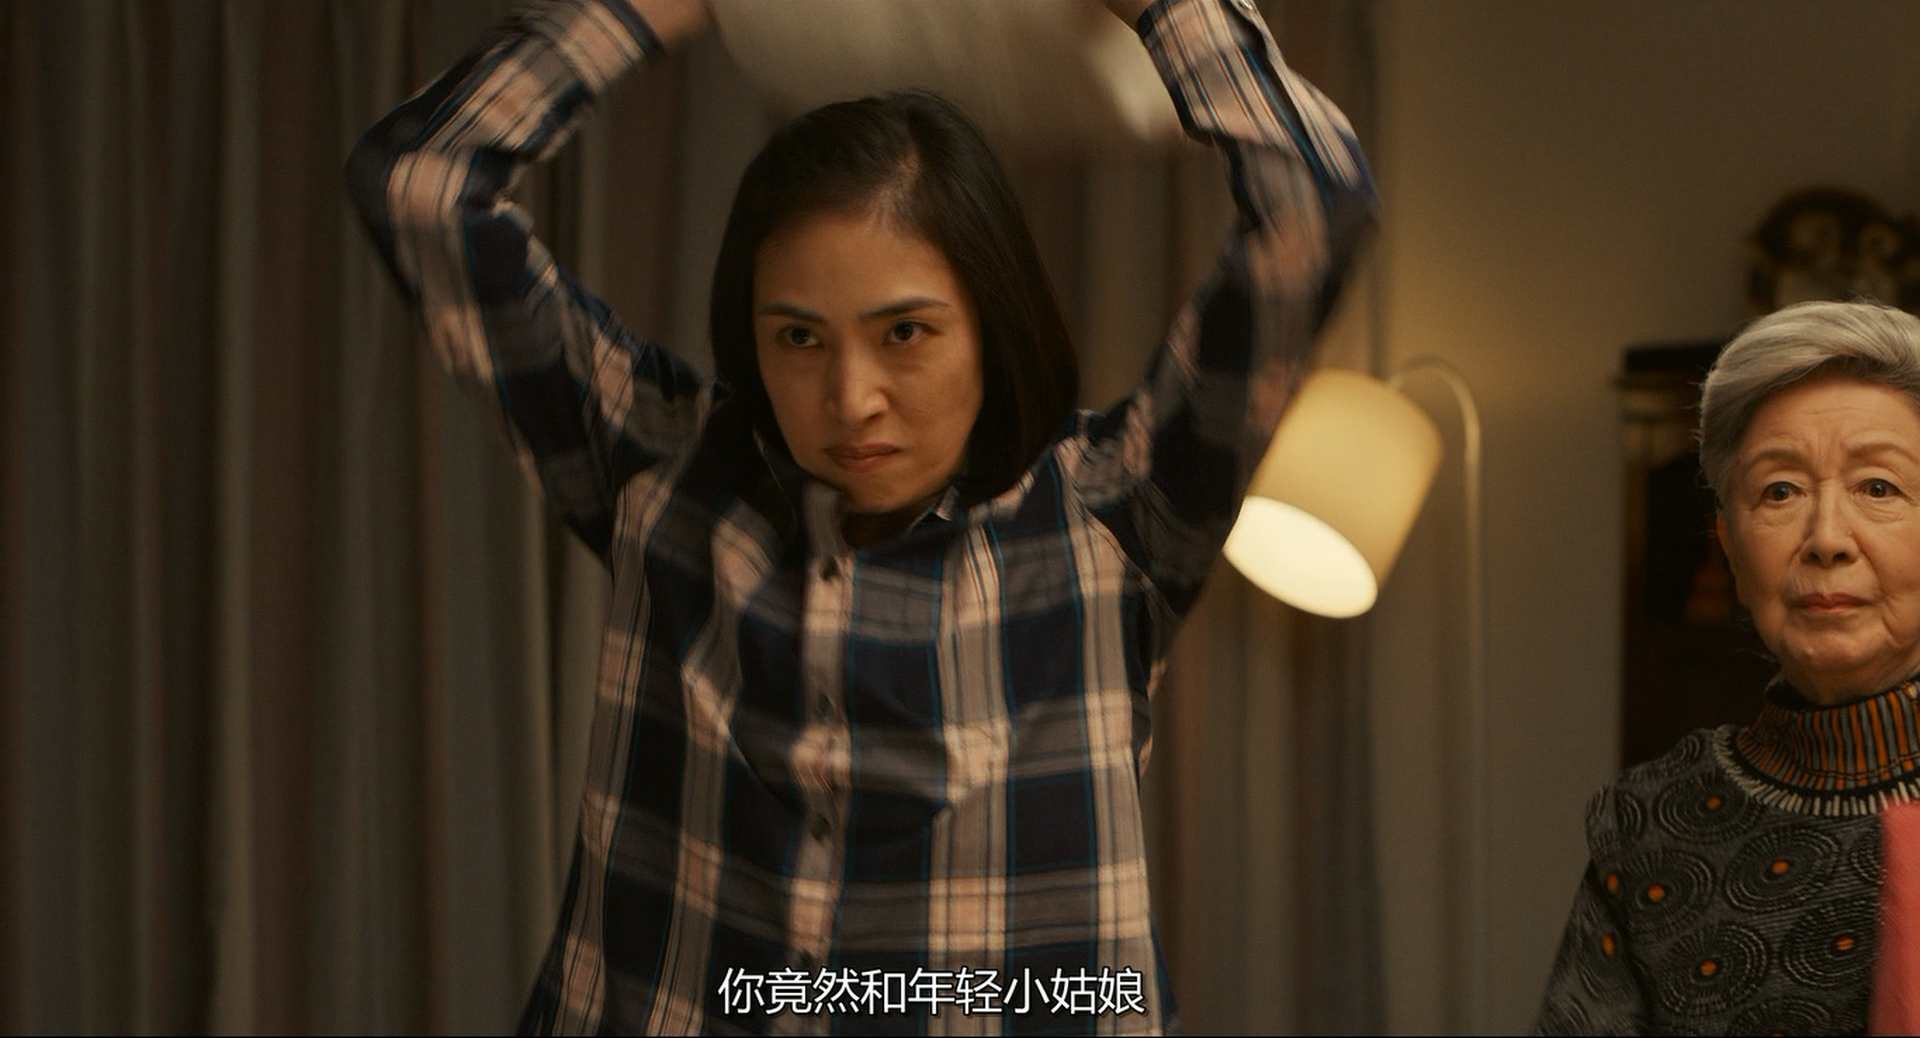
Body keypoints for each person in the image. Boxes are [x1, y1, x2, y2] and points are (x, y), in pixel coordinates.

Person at [346, 0, 1375, 1031]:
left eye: (905, 334)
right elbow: (422, 185)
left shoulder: (1113, 517)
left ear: (993, 323)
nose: (850, 401)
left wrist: (1167, 9)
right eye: (799, 338)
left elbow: (1316, 205)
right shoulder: (664, 470)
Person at [1537, 299, 1920, 1035]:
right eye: (1780, 491)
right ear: (1731, 549)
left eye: (1879, 487)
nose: (1826, 538)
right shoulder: (1651, 823)